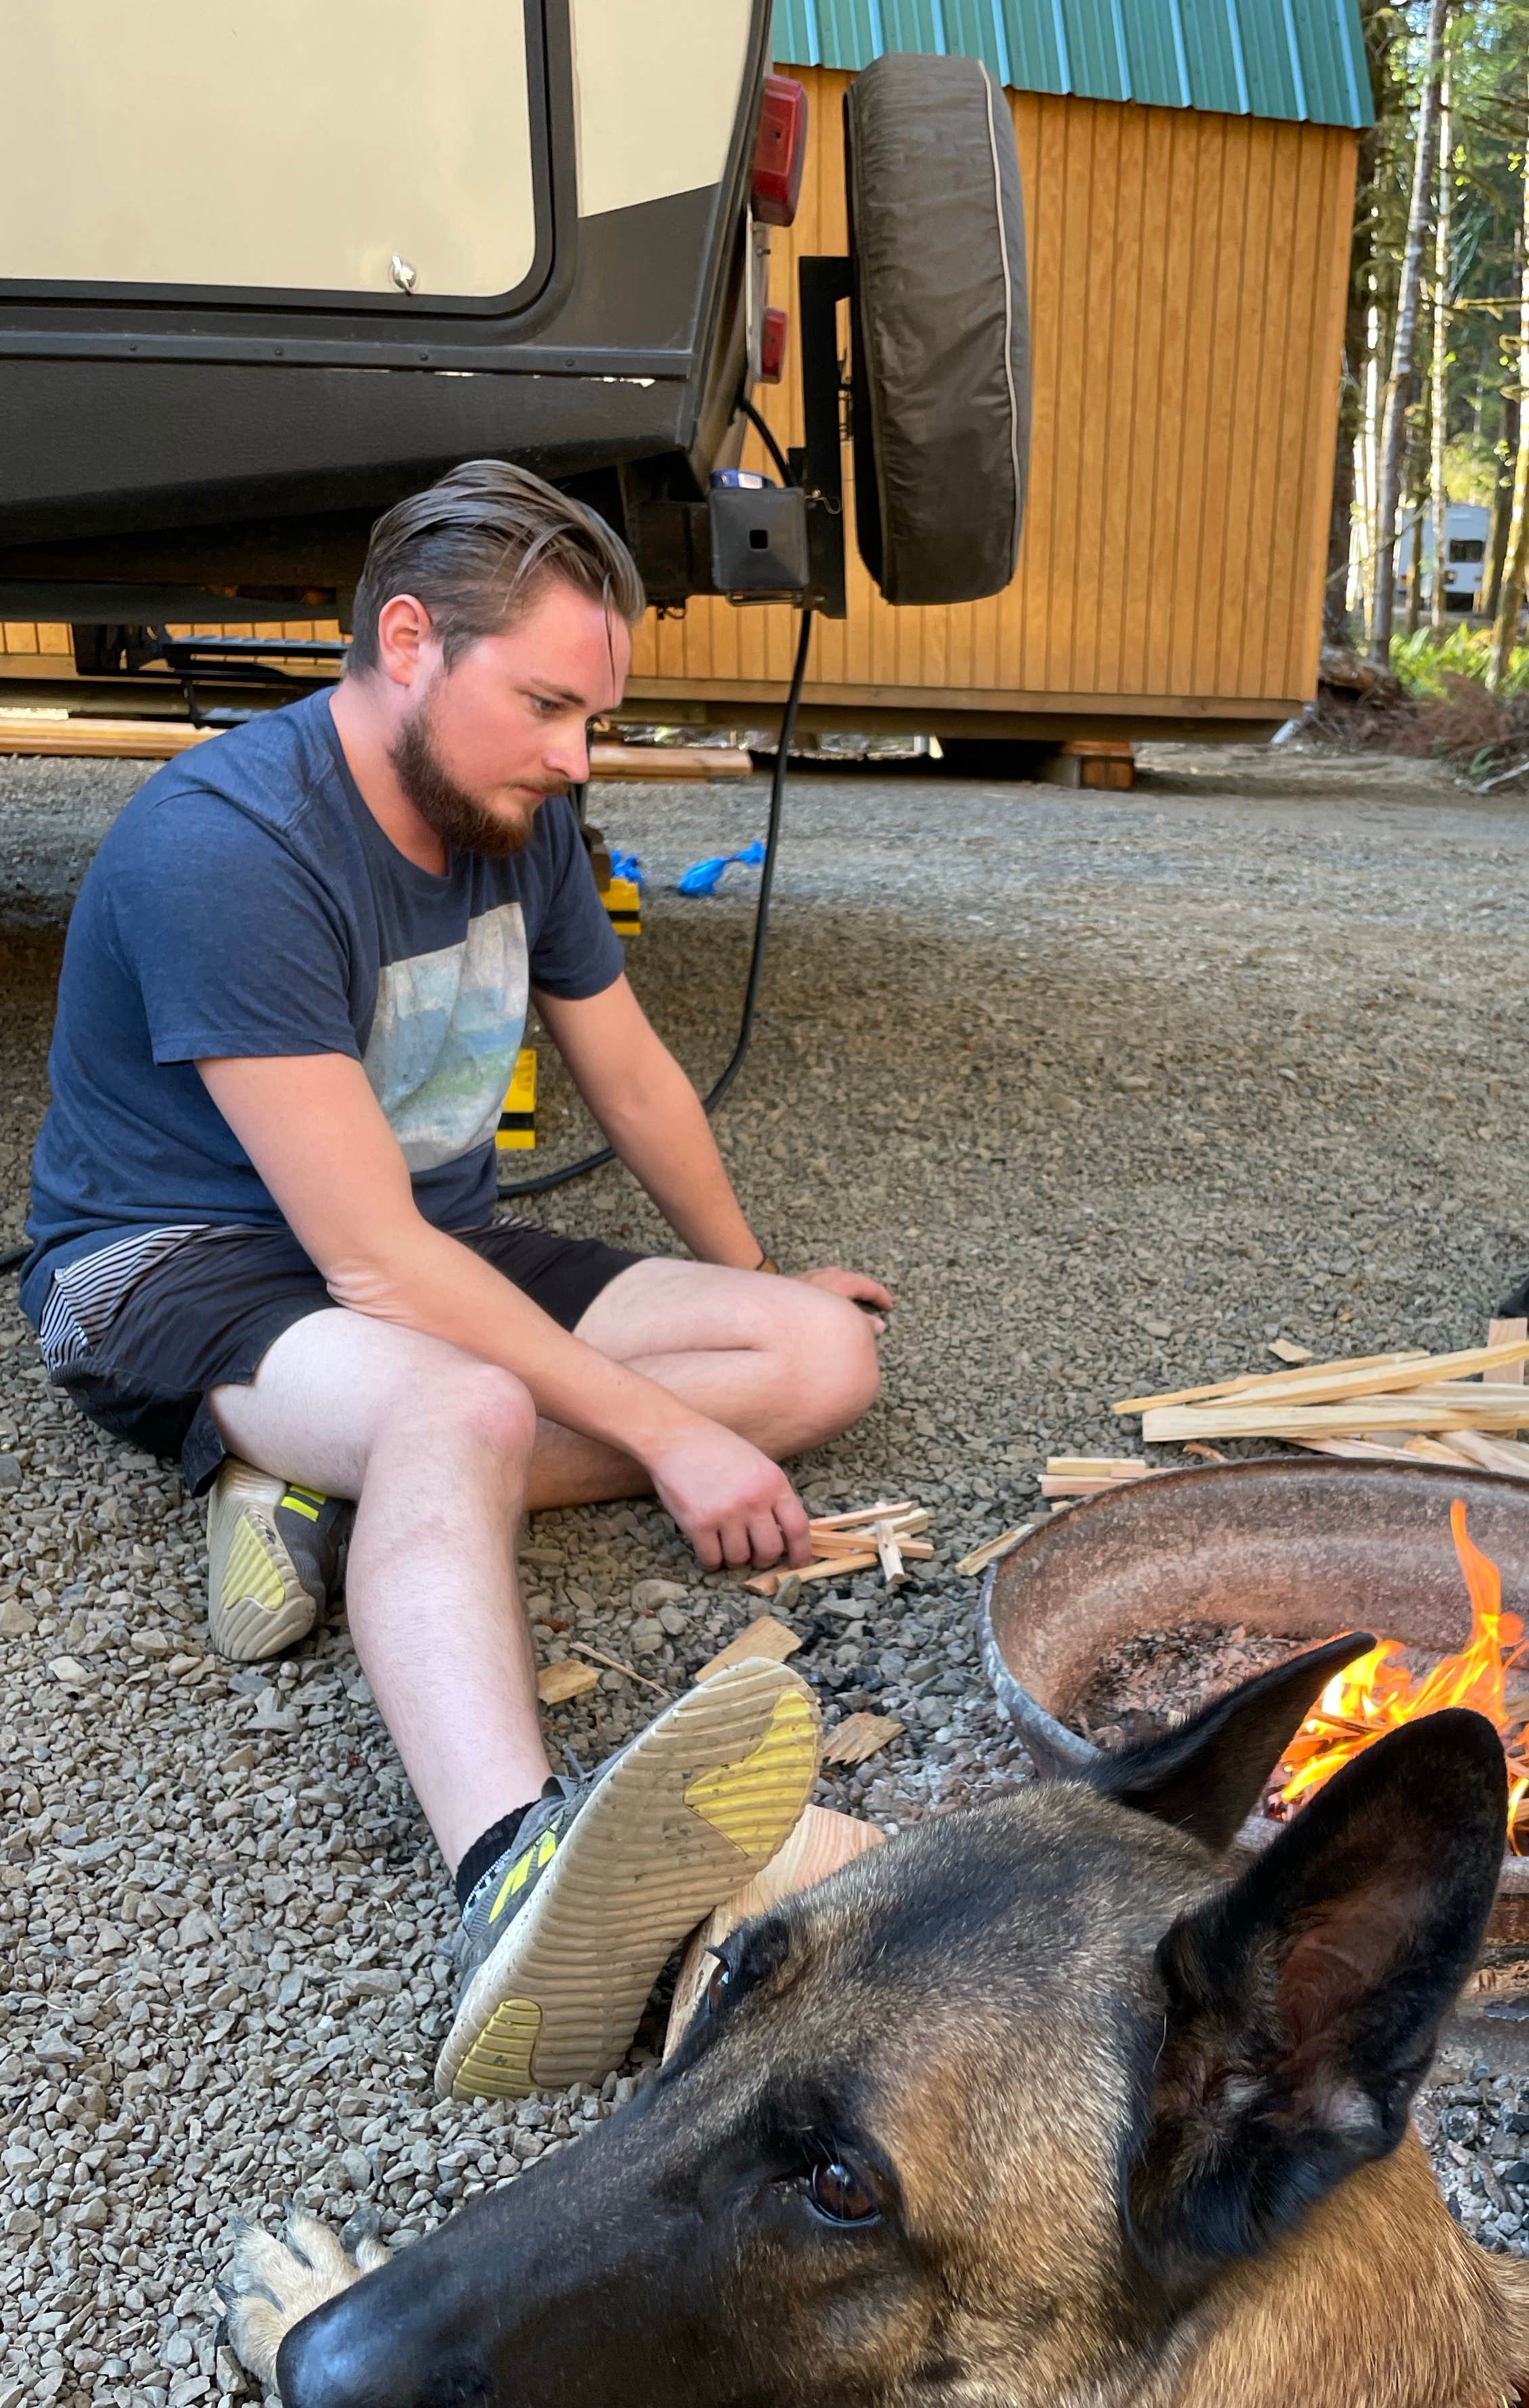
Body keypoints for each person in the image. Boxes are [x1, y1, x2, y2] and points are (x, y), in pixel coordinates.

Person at [20, 460, 888, 2099]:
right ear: (406, 640)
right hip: (179, 1260)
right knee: (468, 1398)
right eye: (549, 704)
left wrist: (754, 1274)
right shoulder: (233, 846)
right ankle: (508, 1868)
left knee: (818, 1359)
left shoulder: (519, 812)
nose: (578, 756)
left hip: (434, 1243)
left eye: (596, 718)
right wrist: (671, 1436)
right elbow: (366, 1260)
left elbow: (626, 1074)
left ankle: (323, 1482)